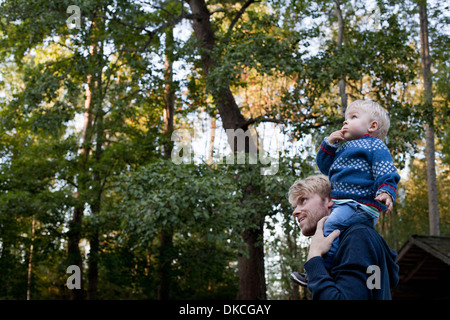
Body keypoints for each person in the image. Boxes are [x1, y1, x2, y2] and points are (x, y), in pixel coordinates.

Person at [292, 100, 401, 286]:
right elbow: (325, 167)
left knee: (328, 228)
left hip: (359, 203)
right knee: (341, 236)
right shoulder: (343, 149)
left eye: (353, 117)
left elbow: (386, 171)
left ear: (372, 126)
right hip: (346, 204)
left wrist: (386, 192)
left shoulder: (375, 146)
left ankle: (321, 270)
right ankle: (340, 269)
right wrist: (329, 145)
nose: (345, 122)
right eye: (345, 118)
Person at [288, 174, 399, 299]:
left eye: (303, 200)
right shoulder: (348, 241)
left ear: (330, 199)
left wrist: (314, 258)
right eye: (294, 206)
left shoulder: (357, 237)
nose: (295, 212)